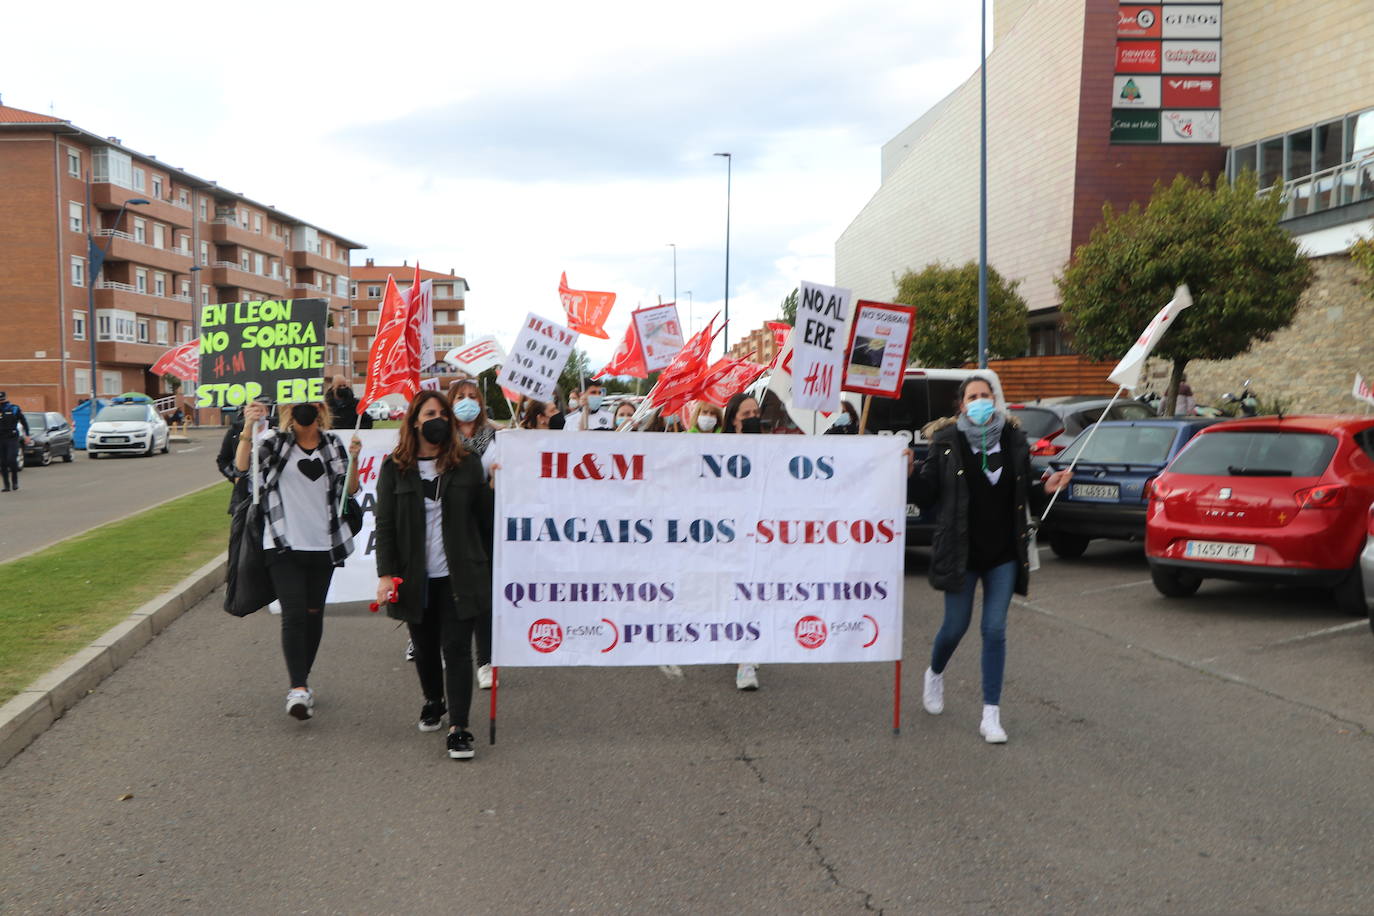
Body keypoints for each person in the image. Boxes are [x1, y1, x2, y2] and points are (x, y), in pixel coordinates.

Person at [910, 375, 1071, 744]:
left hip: (1003, 553)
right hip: (961, 552)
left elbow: (1025, 487)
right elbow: (927, 493)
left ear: (995, 400)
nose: (981, 401)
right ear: (962, 405)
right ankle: (935, 673)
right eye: (973, 396)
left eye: (986, 395)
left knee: (994, 629)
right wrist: (909, 476)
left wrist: (1044, 487)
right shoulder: (946, 442)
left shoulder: (1015, 439)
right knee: (955, 627)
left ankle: (990, 715)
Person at [374, 390, 492, 760]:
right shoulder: (396, 467)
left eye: (443, 412)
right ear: (414, 420)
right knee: (424, 648)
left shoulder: (468, 463)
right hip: (414, 578)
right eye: (430, 413)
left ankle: (459, 727)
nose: (438, 418)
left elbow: (485, 520)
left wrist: (497, 487)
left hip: (460, 575)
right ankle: (433, 700)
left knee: (456, 650)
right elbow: (386, 524)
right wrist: (386, 574)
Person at [236, 398, 361, 721]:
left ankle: (302, 679)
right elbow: (241, 468)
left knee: (313, 614)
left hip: (324, 543)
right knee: (293, 614)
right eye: (298, 404)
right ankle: (299, 687)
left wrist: (356, 459)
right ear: (288, 410)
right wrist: (248, 427)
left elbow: (350, 490)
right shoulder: (273, 442)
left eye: (312, 403)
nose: (306, 409)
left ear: (322, 409)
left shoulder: (333, 443)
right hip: (281, 542)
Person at [450, 379, 497, 688]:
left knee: (484, 591)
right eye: (461, 397)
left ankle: (485, 661)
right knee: (450, 588)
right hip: (452, 520)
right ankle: (450, 648)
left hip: (486, 518)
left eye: (472, 397)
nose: (467, 402)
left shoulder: (496, 436)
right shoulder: (441, 436)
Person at [722, 391, 764, 690]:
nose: (752, 419)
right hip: (726, 537)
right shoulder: (717, 451)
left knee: (754, 595)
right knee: (735, 596)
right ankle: (744, 658)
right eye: (745, 415)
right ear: (733, 421)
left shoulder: (772, 448)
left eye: (755, 414)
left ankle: (747, 655)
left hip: (762, 535)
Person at [0, 392, 31, 493]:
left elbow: (24, 421)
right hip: (1, 438)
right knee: (3, 463)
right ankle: (6, 485)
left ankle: (15, 481)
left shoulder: (14, 408)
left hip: (12, 438)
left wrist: (27, 435)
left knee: (11, 459)